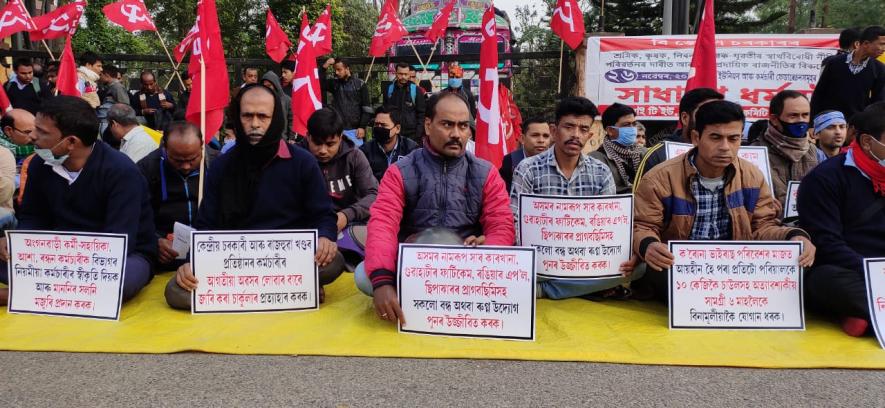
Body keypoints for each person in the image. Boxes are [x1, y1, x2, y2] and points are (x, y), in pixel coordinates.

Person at [165, 84, 343, 309]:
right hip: (234, 263)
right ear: (237, 118)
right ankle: (293, 289)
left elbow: (323, 215)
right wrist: (192, 263)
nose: (255, 124)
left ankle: (285, 286)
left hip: (288, 260)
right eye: (248, 116)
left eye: (263, 116)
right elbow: (206, 225)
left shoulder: (302, 162)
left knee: (333, 262)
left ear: (276, 117)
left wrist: (326, 238)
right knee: (176, 292)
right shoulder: (222, 166)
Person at [632, 100, 816, 302]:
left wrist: (793, 237)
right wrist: (649, 246)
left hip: (734, 270)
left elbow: (763, 226)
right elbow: (642, 226)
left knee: (801, 268)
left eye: (733, 138)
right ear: (696, 137)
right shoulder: (660, 178)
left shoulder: (752, 176)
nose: (725, 147)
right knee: (658, 272)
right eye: (715, 137)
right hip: (681, 268)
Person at [358, 92, 514, 323]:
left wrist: (488, 249)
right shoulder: (401, 171)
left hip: (467, 266)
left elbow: (501, 225)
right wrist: (382, 281)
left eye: (463, 126)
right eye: (447, 124)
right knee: (364, 276)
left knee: (522, 276)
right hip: (413, 264)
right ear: (428, 125)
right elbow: (383, 224)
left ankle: (433, 297)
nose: (456, 134)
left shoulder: (486, 172)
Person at [0, 96, 157, 306]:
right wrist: (17, 243)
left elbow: (118, 240)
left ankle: (23, 291)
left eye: (42, 132)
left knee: (119, 283)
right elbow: (33, 217)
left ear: (71, 142)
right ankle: (47, 287)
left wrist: (65, 263)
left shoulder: (122, 172)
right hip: (55, 253)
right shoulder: (39, 164)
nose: (34, 137)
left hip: (118, 256)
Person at [511, 97, 638, 300]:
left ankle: (548, 290)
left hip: (587, 260)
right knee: (515, 266)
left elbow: (609, 228)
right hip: (541, 263)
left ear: (590, 134)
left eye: (583, 129)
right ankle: (580, 287)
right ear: (554, 131)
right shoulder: (528, 169)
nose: (575, 135)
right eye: (569, 127)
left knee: (640, 267)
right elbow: (515, 222)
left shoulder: (601, 172)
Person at [798, 109, 885, 337]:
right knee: (825, 282)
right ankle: (869, 314)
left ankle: (864, 318)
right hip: (852, 270)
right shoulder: (825, 178)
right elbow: (827, 243)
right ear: (868, 142)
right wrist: (875, 272)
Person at [301, 108, 378, 267]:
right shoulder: (297, 159)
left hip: (349, 226)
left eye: (330, 144)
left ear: (341, 138)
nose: (323, 150)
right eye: (317, 143)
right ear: (307, 136)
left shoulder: (355, 156)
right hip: (309, 231)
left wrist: (345, 215)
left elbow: (374, 195)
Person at [137, 121, 202, 271]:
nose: (186, 166)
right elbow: (135, 216)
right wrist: (155, 241)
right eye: (178, 160)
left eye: (193, 159)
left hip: (207, 248)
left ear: (202, 145)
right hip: (163, 250)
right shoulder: (146, 169)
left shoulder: (215, 165)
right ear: (164, 147)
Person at [633, 88, 724, 186]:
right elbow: (641, 198)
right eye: (706, 114)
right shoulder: (657, 155)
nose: (714, 120)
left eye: (719, 115)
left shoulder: (727, 151)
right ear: (685, 118)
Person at [751, 90, 820, 208]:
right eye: (793, 115)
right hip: (770, 223)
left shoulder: (812, 150)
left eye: (805, 115)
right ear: (774, 119)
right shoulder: (755, 153)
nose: (801, 121)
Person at [811, 25, 885, 118]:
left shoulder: (879, 69)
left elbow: (878, 103)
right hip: (830, 121)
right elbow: (819, 93)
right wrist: (812, 124)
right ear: (866, 43)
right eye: (881, 44)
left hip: (857, 125)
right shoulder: (834, 63)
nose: (883, 49)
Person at [590, 103, 648, 194]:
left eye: (633, 124)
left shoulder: (645, 154)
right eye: (626, 125)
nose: (632, 129)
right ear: (610, 130)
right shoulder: (596, 159)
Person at [359, 105, 418, 182]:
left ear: (397, 128)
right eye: (376, 124)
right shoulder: (365, 151)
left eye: (384, 125)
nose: (379, 128)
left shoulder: (411, 150)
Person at [322, 58, 372, 147]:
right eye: (335, 70)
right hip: (338, 130)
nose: (336, 72)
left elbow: (366, 108)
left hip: (356, 131)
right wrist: (324, 67)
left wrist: (362, 126)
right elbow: (318, 83)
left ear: (347, 69)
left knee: (357, 157)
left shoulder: (360, 84)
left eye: (339, 70)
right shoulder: (334, 84)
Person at [499, 116, 552, 192]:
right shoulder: (510, 162)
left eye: (545, 136)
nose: (541, 140)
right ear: (522, 139)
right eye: (535, 135)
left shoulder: (557, 161)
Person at [383, 62, 426, 143]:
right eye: (400, 74)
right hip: (393, 134)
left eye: (406, 74)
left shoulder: (416, 90)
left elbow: (421, 114)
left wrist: (418, 135)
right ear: (396, 73)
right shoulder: (389, 90)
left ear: (409, 74)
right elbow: (385, 111)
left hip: (412, 136)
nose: (403, 77)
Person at [261, 71, 293, 140]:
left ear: (275, 85)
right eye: (264, 86)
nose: (267, 88)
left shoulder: (287, 100)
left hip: (282, 140)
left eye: (269, 85)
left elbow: (291, 121)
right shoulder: (260, 101)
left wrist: (291, 138)